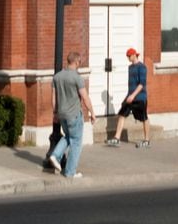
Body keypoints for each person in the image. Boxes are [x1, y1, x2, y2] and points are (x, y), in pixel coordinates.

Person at [43, 51, 94, 179]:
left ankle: (55, 155)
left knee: (68, 137)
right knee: (76, 142)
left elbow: (53, 98)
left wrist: (55, 113)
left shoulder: (57, 77)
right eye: (80, 62)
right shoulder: (77, 78)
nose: (80, 64)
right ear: (76, 62)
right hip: (74, 115)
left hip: (62, 115)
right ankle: (70, 172)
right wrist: (92, 112)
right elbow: (85, 97)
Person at [106, 47, 150, 147]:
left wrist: (133, 95)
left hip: (140, 97)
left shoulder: (142, 67)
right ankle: (117, 138)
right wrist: (127, 97)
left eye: (129, 56)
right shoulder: (130, 68)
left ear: (134, 55)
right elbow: (131, 85)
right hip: (130, 97)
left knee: (144, 118)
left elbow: (141, 84)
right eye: (127, 56)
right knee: (122, 114)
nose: (128, 58)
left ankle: (147, 140)